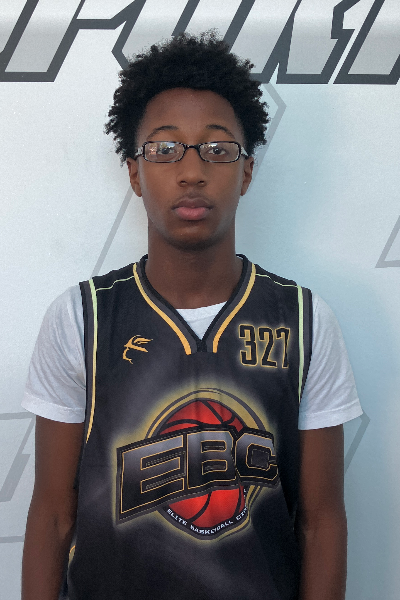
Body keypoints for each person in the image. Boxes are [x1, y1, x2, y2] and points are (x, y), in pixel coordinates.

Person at [21, 32, 362, 600]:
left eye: (217, 149)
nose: (191, 171)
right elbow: (53, 515)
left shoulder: (304, 320)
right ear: (135, 173)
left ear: (246, 172)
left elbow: (321, 521)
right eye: (165, 149)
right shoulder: (81, 317)